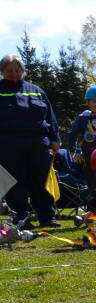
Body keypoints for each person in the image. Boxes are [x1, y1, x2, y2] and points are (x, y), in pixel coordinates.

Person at [0, 53, 61, 228]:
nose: (13, 73)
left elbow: (50, 117)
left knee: (41, 181)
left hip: (39, 144)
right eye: (9, 70)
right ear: (3, 72)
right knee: (14, 182)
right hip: (8, 145)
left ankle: (47, 217)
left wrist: (55, 139)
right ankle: (22, 218)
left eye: (17, 70)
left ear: (23, 70)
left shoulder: (36, 90)